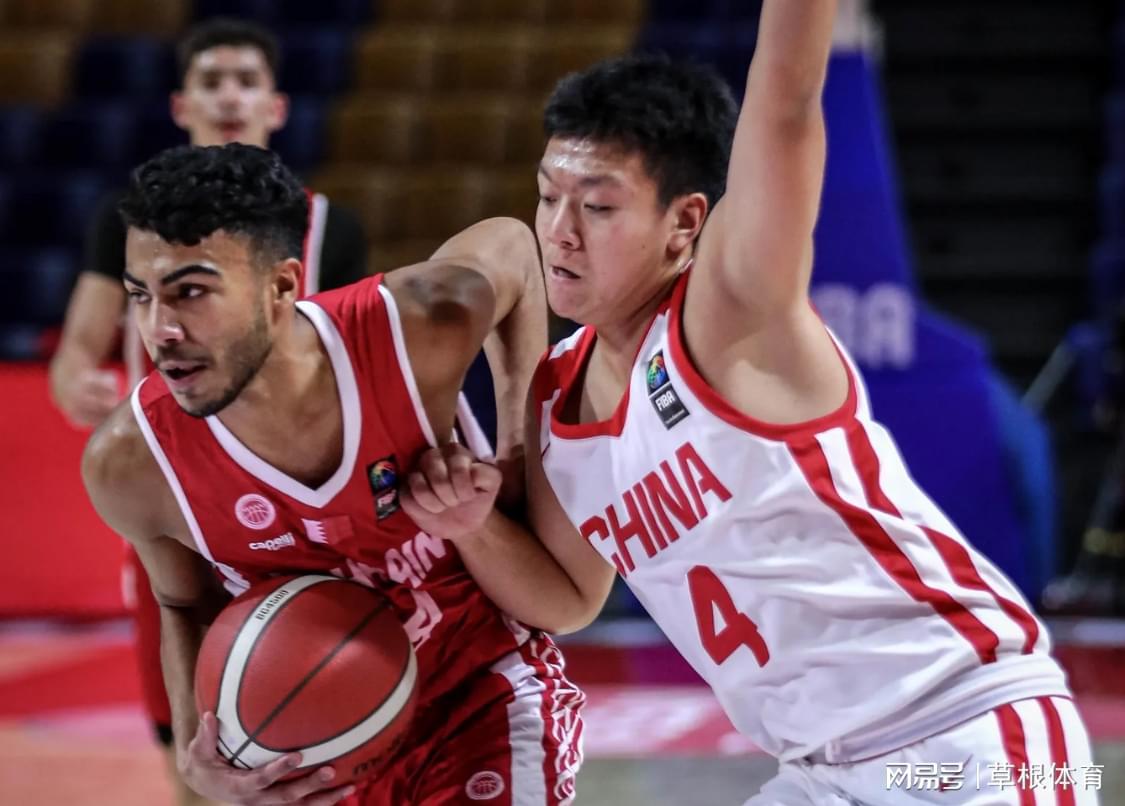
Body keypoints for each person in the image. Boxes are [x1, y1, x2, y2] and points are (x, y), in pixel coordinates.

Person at [399, 2, 1100, 804]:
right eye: (547, 196)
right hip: (816, 771)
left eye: (596, 206)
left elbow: (787, 102)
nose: (559, 230)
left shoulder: (727, 312)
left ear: (683, 222)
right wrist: (470, 524)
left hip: (960, 733)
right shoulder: (557, 397)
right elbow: (565, 596)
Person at [81, 143, 583, 806]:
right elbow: (183, 602)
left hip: (480, 691)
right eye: (141, 296)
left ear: (282, 286)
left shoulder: (410, 330)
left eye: (191, 292)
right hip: (315, 760)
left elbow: (514, 248)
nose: (160, 329)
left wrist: (517, 457)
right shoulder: (130, 463)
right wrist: (194, 746)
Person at [47, 19, 368, 806]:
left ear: (276, 107)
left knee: (323, 731)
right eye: (212, 81)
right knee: (191, 742)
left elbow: (348, 363)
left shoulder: (329, 227)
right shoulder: (125, 220)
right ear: (181, 104)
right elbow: (75, 354)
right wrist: (76, 384)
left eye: (245, 81)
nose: (229, 97)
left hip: (292, 506)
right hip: (180, 503)